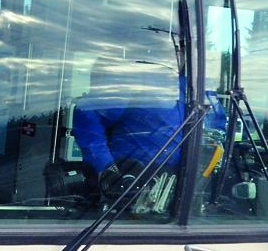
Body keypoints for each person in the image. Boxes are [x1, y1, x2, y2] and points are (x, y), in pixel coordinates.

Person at [71, 51, 184, 213]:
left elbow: (216, 127)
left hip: (185, 193)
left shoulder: (199, 85)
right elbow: (87, 112)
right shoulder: (138, 78)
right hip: (131, 187)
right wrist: (106, 168)